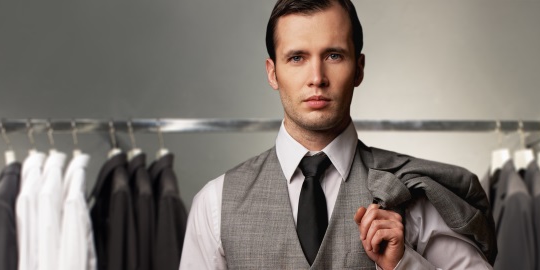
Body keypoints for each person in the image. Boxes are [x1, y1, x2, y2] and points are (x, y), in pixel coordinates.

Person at [179, 0, 497, 269]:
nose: (316, 78)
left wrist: (404, 264)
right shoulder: (215, 204)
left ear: (358, 69)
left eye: (333, 55)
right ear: (273, 72)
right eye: (297, 58)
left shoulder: (410, 193)